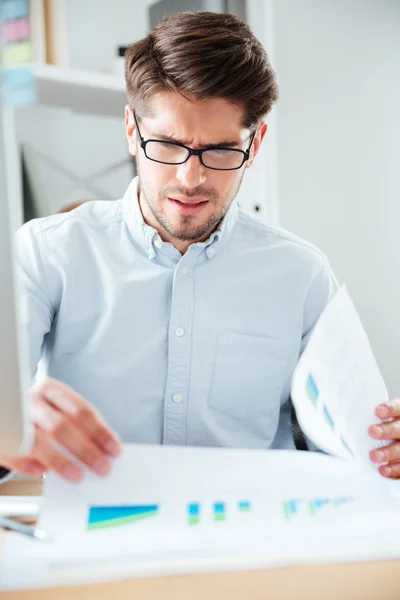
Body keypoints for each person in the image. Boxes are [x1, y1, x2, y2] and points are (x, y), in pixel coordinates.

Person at [0, 11, 397, 484]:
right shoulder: (47, 254)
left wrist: (388, 449)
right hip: (90, 542)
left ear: (255, 143)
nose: (192, 178)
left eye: (221, 150)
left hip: (255, 540)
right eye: (167, 145)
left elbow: (354, 448)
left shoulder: (302, 275)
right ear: (132, 129)